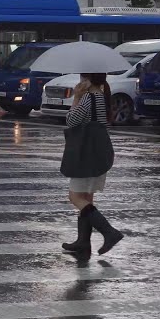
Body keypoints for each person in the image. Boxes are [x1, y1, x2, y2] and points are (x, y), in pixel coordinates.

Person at [62, 73, 123, 256]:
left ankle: (109, 232)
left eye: (82, 77)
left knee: (75, 197)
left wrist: (77, 97)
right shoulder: (103, 97)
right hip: (98, 153)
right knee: (87, 198)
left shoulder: (89, 97)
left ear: (87, 79)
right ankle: (83, 242)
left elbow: (71, 121)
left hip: (85, 154)